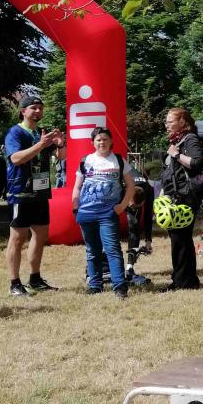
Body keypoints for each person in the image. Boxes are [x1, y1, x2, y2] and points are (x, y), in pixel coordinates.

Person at [5, 95, 65, 296]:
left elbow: (61, 157)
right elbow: (16, 159)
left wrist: (60, 144)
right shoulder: (15, 132)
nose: (38, 111)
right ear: (23, 111)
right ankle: (14, 283)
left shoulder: (42, 132)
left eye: (41, 107)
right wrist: (41, 144)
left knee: (40, 236)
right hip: (20, 192)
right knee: (18, 238)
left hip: (40, 191)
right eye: (34, 108)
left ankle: (35, 278)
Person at [72, 127, 136, 298]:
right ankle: (95, 285)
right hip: (86, 213)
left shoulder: (118, 160)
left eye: (105, 139)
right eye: (98, 140)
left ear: (111, 141)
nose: (102, 142)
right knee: (92, 250)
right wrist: (75, 207)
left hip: (108, 214)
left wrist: (122, 206)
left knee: (112, 249)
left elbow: (131, 185)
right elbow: (77, 187)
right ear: (92, 142)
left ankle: (119, 286)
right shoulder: (86, 161)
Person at [160, 108, 203, 290]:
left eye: (170, 121)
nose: (167, 125)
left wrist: (176, 154)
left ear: (182, 122)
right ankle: (186, 279)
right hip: (176, 195)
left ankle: (182, 282)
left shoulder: (190, 139)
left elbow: (198, 162)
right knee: (180, 239)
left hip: (185, 196)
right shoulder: (178, 140)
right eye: (166, 122)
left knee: (180, 239)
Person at [126, 167, 154, 282]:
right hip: (125, 187)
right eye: (132, 206)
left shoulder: (149, 190)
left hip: (137, 191)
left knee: (134, 225)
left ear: (143, 201)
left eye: (136, 207)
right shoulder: (123, 187)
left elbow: (148, 217)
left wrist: (148, 240)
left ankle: (130, 266)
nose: (132, 208)